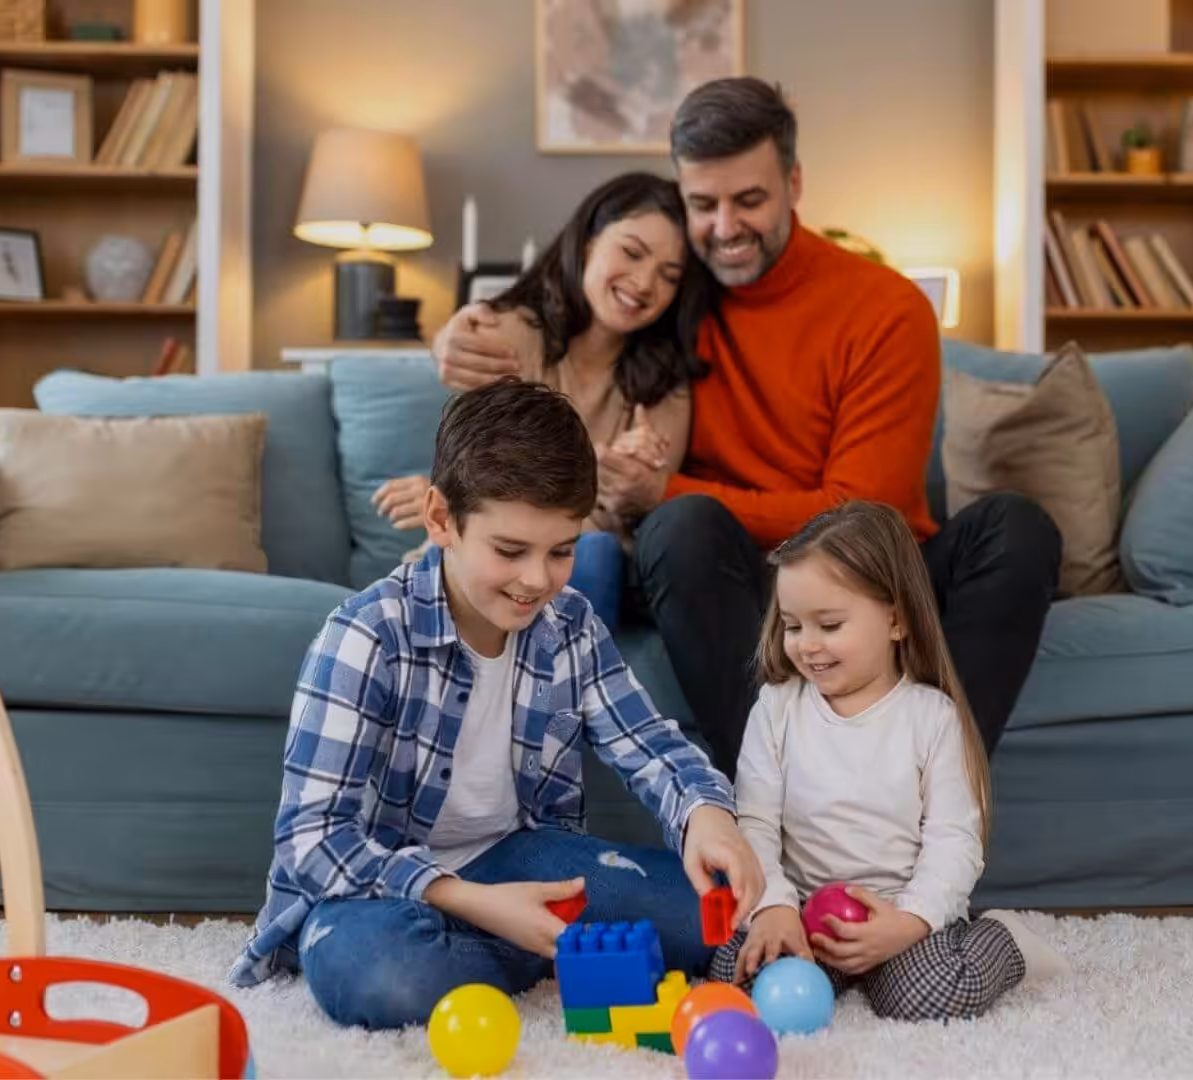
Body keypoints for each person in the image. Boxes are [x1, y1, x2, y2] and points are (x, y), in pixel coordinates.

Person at [434, 77, 1062, 777]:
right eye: (703, 204)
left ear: (794, 183)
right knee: (680, 529)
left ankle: (939, 788)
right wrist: (459, 332)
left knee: (1016, 526)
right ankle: (779, 793)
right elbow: (565, 320)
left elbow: (865, 512)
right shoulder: (672, 297)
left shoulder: (885, 307)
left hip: (871, 571)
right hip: (725, 583)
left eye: (750, 200)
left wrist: (661, 491)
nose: (725, 228)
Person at [229, 378, 765, 1030]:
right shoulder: (366, 637)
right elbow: (311, 841)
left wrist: (706, 815)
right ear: (440, 520)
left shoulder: (568, 624)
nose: (537, 579)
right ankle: (526, 947)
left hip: (520, 859)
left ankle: (520, 947)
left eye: (561, 551)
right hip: (382, 891)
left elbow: (649, 745)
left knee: (712, 916)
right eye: (510, 551)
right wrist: (474, 902)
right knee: (385, 979)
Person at [709, 500, 1067, 1020]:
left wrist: (911, 921)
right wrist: (776, 909)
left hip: (898, 913)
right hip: (808, 913)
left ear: (896, 620)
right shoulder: (777, 708)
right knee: (734, 977)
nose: (807, 646)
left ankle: (1004, 939)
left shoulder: (931, 717)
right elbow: (756, 824)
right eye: (792, 626)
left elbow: (954, 839)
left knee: (932, 994)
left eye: (828, 625)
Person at [373, 172, 718, 629]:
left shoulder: (666, 381)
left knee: (592, 552)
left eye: (668, 276)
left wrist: (634, 486)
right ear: (588, 243)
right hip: (488, 553)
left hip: (588, 562)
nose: (643, 282)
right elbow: (479, 470)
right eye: (632, 253)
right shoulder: (511, 336)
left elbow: (634, 512)